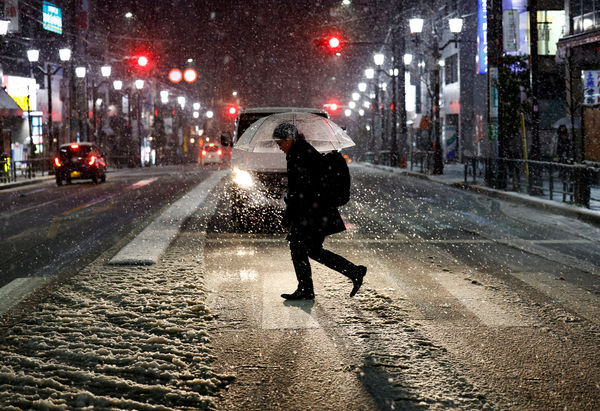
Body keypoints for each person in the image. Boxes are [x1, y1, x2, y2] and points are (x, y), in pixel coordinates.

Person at [272, 122, 367, 300]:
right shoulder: (301, 151)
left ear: (289, 139)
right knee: (310, 249)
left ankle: (308, 288)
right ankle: (352, 272)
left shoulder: (298, 154)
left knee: (300, 248)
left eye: (280, 143)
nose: (280, 147)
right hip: (314, 211)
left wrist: (290, 198)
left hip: (312, 212)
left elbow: (304, 186)